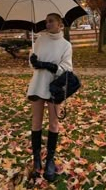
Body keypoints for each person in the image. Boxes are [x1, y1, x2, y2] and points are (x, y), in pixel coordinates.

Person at [27, 13, 73, 182]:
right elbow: (32, 63)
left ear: (60, 23)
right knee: (36, 122)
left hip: (54, 88)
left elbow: (67, 68)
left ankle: (50, 160)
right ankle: (37, 159)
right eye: (46, 21)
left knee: (53, 123)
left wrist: (48, 66)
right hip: (38, 84)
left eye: (51, 21)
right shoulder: (39, 39)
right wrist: (32, 60)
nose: (47, 24)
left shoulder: (66, 45)